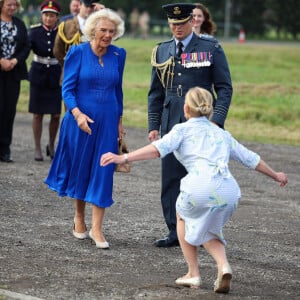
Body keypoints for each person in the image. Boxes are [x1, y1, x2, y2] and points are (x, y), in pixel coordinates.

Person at [100, 86, 288, 293]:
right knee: (209, 229)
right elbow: (251, 159)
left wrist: (123, 157)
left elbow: (156, 150)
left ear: (186, 108)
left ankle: (193, 274)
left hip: (200, 187)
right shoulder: (221, 133)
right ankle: (223, 266)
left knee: (184, 217)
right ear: (210, 109)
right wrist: (275, 174)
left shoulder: (182, 130)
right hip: (229, 191)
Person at [148, 3, 233, 247]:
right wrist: (154, 125)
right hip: (171, 121)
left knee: (204, 179)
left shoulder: (210, 48)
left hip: (204, 122)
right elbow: (155, 93)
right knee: (171, 179)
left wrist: (216, 120)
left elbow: (224, 88)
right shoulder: (161, 51)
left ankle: (204, 232)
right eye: (173, 24)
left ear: (192, 22)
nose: (177, 28)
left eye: (182, 23)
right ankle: (176, 232)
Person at [44, 8, 126, 250]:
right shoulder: (77, 52)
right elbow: (67, 90)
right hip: (80, 122)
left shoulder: (119, 55)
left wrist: (120, 121)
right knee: (82, 168)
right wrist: (78, 114)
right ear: (92, 30)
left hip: (108, 121)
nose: (108, 35)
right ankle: (79, 217)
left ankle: (97, 228)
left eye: (112, 31)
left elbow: (117, 91)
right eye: (103, 30)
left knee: (104, 169)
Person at [28, 0, 62, 161]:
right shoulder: (34, 32)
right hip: (38, 74)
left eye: (52, 16)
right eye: (46, 15)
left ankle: (51, 144)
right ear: (42, 16)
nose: (48, 19)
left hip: (56, 75)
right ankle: (37, 147)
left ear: (57, 17)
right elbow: (25, 47)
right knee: (37, 114)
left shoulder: (62, 33)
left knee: (55, 114)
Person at [0, 0, 30, 162]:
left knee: (9, 110)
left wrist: (14, 61)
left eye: (14, 5)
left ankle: (5, 149)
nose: (12, 8)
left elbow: (26, 46)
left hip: (14, 72)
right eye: (8, 5)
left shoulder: (19, 23)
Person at [53, 0, 105, 83]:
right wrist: (68, 64)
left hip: (93, 76)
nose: (89, 9)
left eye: (91, 7)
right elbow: (57, 50)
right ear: (80, 5)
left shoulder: (99, 26)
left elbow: (115, 36)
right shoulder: (66, 25)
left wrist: (104, 13)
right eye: (87, 6)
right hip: (71, 75)